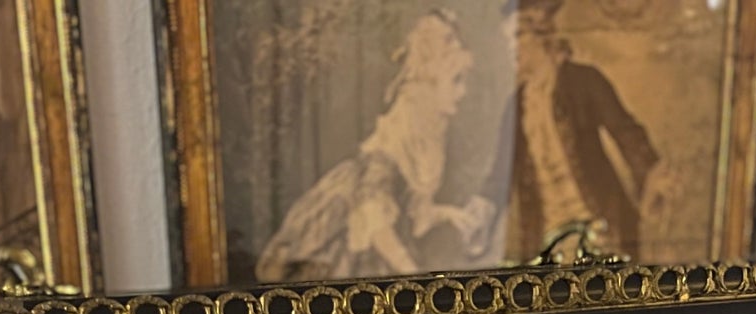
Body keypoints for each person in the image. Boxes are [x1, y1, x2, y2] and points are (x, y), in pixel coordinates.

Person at [256, 10, 491, 281]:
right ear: (429, 83)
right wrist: (412, 274)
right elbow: (372, 210)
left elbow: (414, 214)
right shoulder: (404, 124)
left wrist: (450, 215)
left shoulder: (432, 128)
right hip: (351, 230)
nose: (463, 93)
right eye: (456, 81)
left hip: (382, 231)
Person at [490, 0, 661, 261]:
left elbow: (627, 134)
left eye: (516, 36)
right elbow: (497, 178)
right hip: (544, 237)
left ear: (541, 32)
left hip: (600, 227)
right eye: (504, 41)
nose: (510, 49)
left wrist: (651, 174)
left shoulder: (583, 80)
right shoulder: (513, 108)